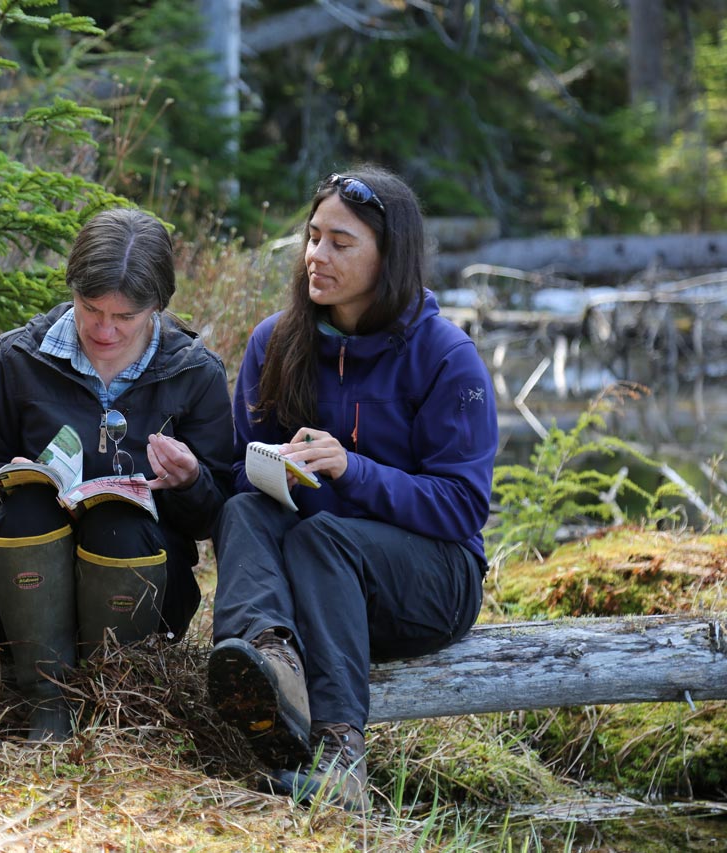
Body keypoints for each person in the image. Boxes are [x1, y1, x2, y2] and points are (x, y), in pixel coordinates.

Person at [207, 167, 498, 812]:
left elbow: (462, 507)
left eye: (341, 243)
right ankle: (269, 665)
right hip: (320, 581)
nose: (317, 255)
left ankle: (342, 762)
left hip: (432, 582)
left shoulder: (446, 357)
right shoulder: (274, 342)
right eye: (313, 237)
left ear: (389, 257)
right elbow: (238, 474)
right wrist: (272, 468)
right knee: (244, 510)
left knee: (323, 537)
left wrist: (352, 469)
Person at [0, 207, 235, 742]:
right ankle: (45, 697)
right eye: (90, 309)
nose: (104, 329)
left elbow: (214, 514)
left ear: (157, 307)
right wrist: (1, 480)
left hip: (149, 590)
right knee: (27, 510)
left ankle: (115, 700)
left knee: (120, 524)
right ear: (73, 291)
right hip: (23, 589)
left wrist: (190, 482)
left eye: (125, 317)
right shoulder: (20, 357)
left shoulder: (195, 373)